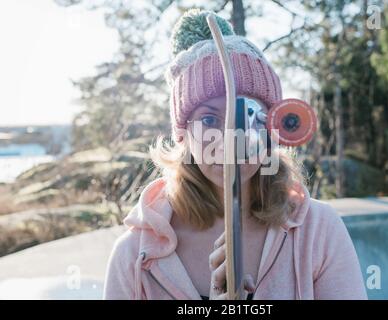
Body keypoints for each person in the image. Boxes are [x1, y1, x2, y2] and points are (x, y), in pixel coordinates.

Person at [103, 9, 367, 300]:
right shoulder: (135, 256)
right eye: (209, 119)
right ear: (183, 134)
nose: (231, 139)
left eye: (248, 116)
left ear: (273, 127)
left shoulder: (318, 232)